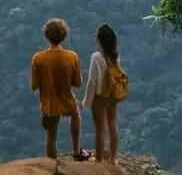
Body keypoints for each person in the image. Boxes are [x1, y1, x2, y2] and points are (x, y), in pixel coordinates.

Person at [30, 17, 83, 160]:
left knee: (51, 136)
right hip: (66, 101)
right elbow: (78, 83)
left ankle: (53, 165)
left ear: (46, 36)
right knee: (75, 113)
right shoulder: (72, 57)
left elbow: (34, 85)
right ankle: (76, 150)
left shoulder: (38, 58)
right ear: (64, 36)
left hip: (48, 104)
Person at [83, 23, 124, 163]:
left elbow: (92, 82)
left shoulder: (96, 57)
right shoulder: (115, 55)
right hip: (113, 94)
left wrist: (87, 102)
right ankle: (113, 158)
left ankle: (99, 159)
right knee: (112, 124)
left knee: (100, 128)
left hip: (100, 96)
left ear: (99, 39)